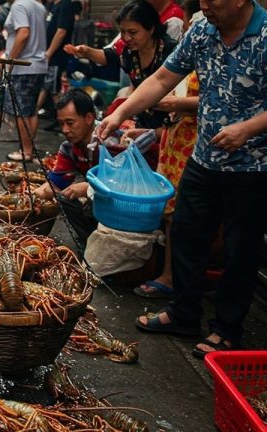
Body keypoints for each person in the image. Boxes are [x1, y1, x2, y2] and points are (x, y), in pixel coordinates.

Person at [97, 0, 267, 358]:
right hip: (203, 158)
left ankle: (227, 330)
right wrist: (122, 113)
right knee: (186, 233)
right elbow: (162, 78)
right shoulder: (203, 30)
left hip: (252, 167)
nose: (206, 8)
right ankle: (183, 312)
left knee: (240, 250)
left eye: (213, 2)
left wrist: (248, 129)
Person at [134, 0, 201, 299]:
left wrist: (177, 104)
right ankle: (172, 277)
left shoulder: (206, 29)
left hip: (197, 146)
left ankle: (175, 280)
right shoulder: (199, 36)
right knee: (173, 214)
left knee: (185, 217)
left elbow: (223, 100)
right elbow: (162, 81)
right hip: (176, 140)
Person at [66, 0, 177, 135]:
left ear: (151, 28)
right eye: (123, 32)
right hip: (142, 123)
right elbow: (108, 56)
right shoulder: (129, 51)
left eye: (133, 32)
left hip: (170, 128)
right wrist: (86, 51)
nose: (126, 38)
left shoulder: (172, 52)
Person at [33, 89, 98, 246]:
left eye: (70, 123)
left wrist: (88, 187)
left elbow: (124, 184)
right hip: (99, 199)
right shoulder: (68, 147)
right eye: (61, 124)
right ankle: (89, 241)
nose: (64, 130)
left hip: (127, 204)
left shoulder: (110, 140)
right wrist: (31, 198)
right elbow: (55, 183)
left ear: (89, 118)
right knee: (61, 197)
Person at [3, 0, 48, 162]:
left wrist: (10, 60)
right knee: (31, 110)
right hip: (38, 65)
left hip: (23, 66)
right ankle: (29, 149)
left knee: (20, 111)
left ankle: (26, 150)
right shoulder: (39, 6)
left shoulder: (19, 5)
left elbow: (23, 33)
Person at [34, 0, 74, 129]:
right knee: (47, 86)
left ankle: (63, 119)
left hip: (57, 56)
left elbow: (61, 31)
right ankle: (38, 112)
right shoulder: (53, 6)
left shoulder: (65, 5)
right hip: (50, 56)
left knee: (53, 89)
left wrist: (49, 52)